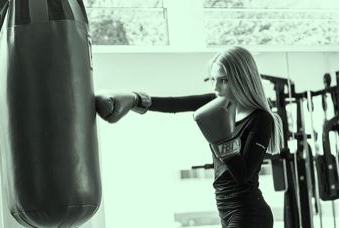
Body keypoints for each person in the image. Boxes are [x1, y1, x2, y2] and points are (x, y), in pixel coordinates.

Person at [95, 46, 283, 228]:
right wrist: (136, 99)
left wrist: (222, 140)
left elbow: (242, 176)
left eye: (223, 80)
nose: (216, 87)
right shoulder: (215, 104)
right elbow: (175, 104)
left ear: (242, 79)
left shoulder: (260, 119)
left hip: (249, 212)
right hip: (225, 209)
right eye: (213, 79)